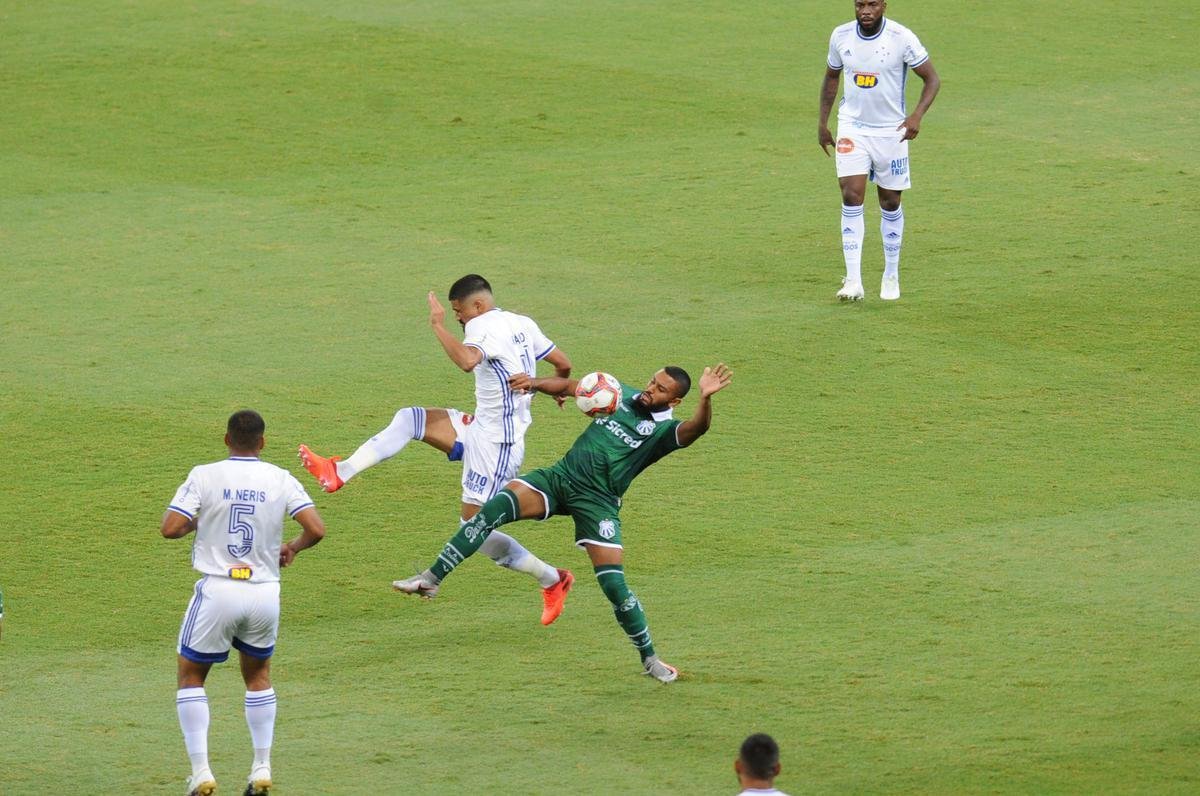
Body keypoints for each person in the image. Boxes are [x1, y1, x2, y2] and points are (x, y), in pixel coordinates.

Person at [393, 363, 733, 683]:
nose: (649, 390)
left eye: (660, 390)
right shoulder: (616, 392)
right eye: (651, 382)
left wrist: (704, 399)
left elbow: (696, 429)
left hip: (597, 503)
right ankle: (431, 579)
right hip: (559, 479)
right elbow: (573, 386)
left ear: (673, 400)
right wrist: (536, 383)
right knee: (488, 512)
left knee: (614, 586)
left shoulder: (663, 430)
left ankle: (650, 659)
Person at [298, 274, 577, 625]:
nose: (458, 318)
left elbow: (466, 361)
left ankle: (553, 578)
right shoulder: (522, 322)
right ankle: (339, 472)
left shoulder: (482, 326)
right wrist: (555, 391)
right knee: (411, 419)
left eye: (458, 311)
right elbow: (563, 365)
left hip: (497, 444)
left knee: (474, 527)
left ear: (477, 305)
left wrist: (437, 326)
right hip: (480, 427)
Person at [162, 410, 326, 796]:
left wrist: (201, 521)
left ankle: (201, 772)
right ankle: (261, 768)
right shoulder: (280, 478)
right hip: (265, 592)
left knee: (190, 677)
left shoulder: (205, 474)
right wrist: (293, 548)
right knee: (258, 678)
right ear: (263, 442)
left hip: (219, 590)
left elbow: (170, 528)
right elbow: (316, 529)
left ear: (226, 439)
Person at [818, 0, 940, 301]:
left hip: (891, 133)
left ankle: (891, 273)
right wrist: (823, 122)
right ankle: (854, 281)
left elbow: (932, 79)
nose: (865, 11)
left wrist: (916, 116)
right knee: (851, 194)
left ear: (884, 5)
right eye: (860, 4)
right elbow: (832, 77)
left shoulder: (902, 38)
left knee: (890, 202)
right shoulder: (841, 36)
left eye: (872, 4)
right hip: (853, 128)